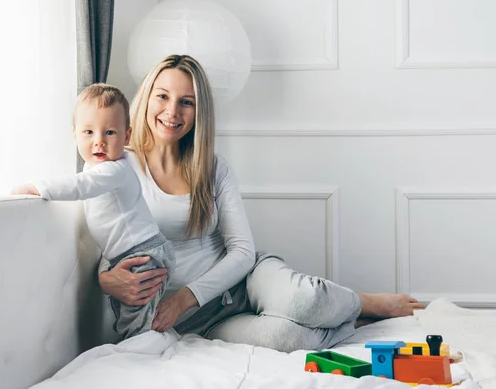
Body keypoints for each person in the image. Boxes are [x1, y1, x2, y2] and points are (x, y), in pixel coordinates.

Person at [97, 54, 424, 353]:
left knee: (306, 300)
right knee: (288, 339)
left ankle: (364, 303)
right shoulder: (118, 169)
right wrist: (104, 278)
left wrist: (184, 299)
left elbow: (241, 250)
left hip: (247, 279)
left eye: (187, 102)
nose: (172, 111)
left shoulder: (212, 168)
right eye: (163, 96)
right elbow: (105, 232)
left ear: (200, 113)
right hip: (202, 321)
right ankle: (349, 324)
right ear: (146, 96)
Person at [11, 83, 175, 340]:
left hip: (143, 253)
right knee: (132, 316)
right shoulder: (98, 169)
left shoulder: (114, 170)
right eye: (89, 132)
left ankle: (143, 354)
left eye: (109, 132)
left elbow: (80, 186)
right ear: (75, 134)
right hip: (129, 253)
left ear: (127, 137)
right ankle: (145, 348)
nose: (99, 140)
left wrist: (36, 187)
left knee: (136, 323)